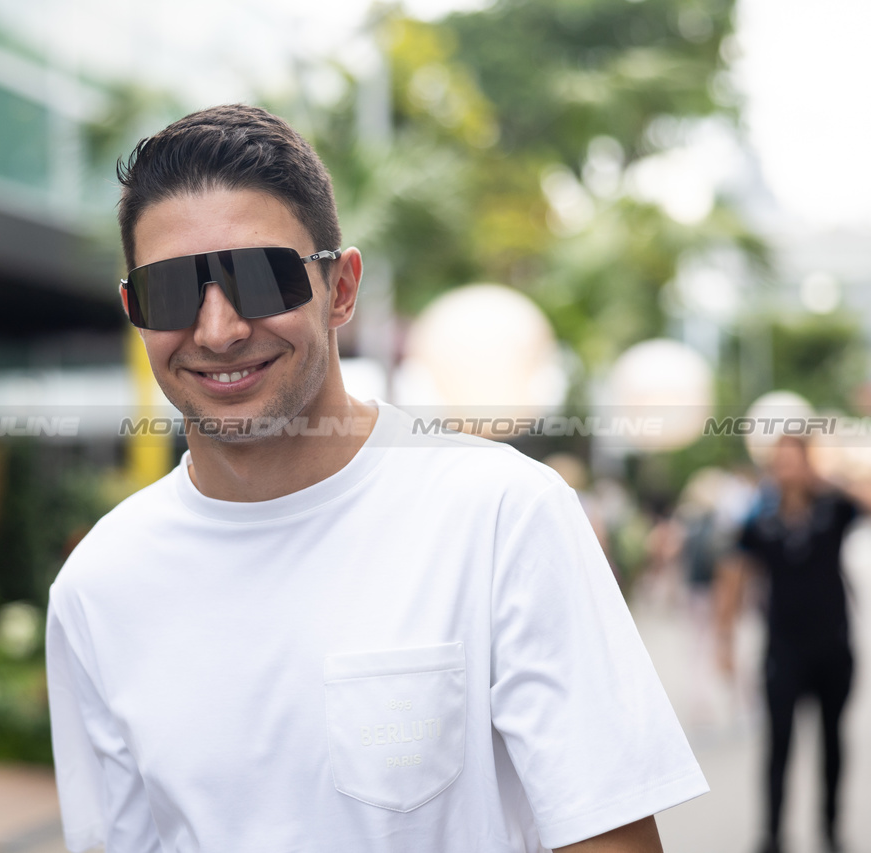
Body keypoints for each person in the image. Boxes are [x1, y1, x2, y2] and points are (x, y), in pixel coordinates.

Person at [45, 104, 708, 853]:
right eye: (170, 291)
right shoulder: (99, 583)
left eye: (260, 278)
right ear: (135, 310)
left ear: (342, 288)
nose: (219, 328)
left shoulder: (499, 515)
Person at [716, 435, 871, 853]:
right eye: (778, 462)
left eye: (794, 461)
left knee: (832, 739)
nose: (787, 470)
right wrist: (723, 639)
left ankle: (831, 830)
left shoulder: (834, 507)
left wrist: (834, 479)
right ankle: (772, 835)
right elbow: (733, 573)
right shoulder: (759, 519)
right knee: (778, 742)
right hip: (783, 649)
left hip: (833, 646)